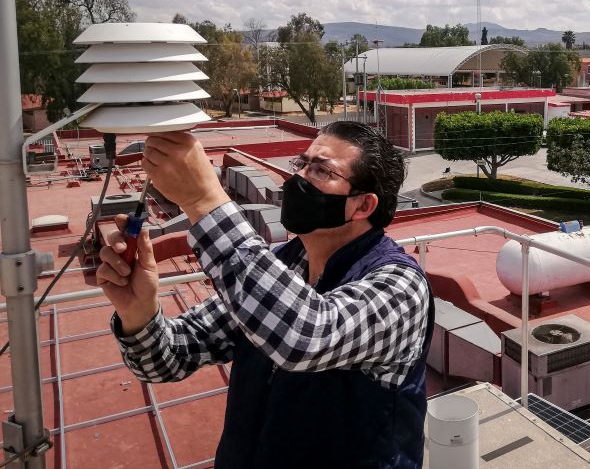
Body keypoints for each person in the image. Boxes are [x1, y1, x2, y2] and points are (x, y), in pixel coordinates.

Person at [97, 121, 434, 469]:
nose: (299, 177)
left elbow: (307, 334)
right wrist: (138, 314)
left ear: (363, 206)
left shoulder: (400, 285)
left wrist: (204, 200)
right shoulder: (279, 268)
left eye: (320, 170)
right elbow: (168, 359)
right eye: (301, 163)